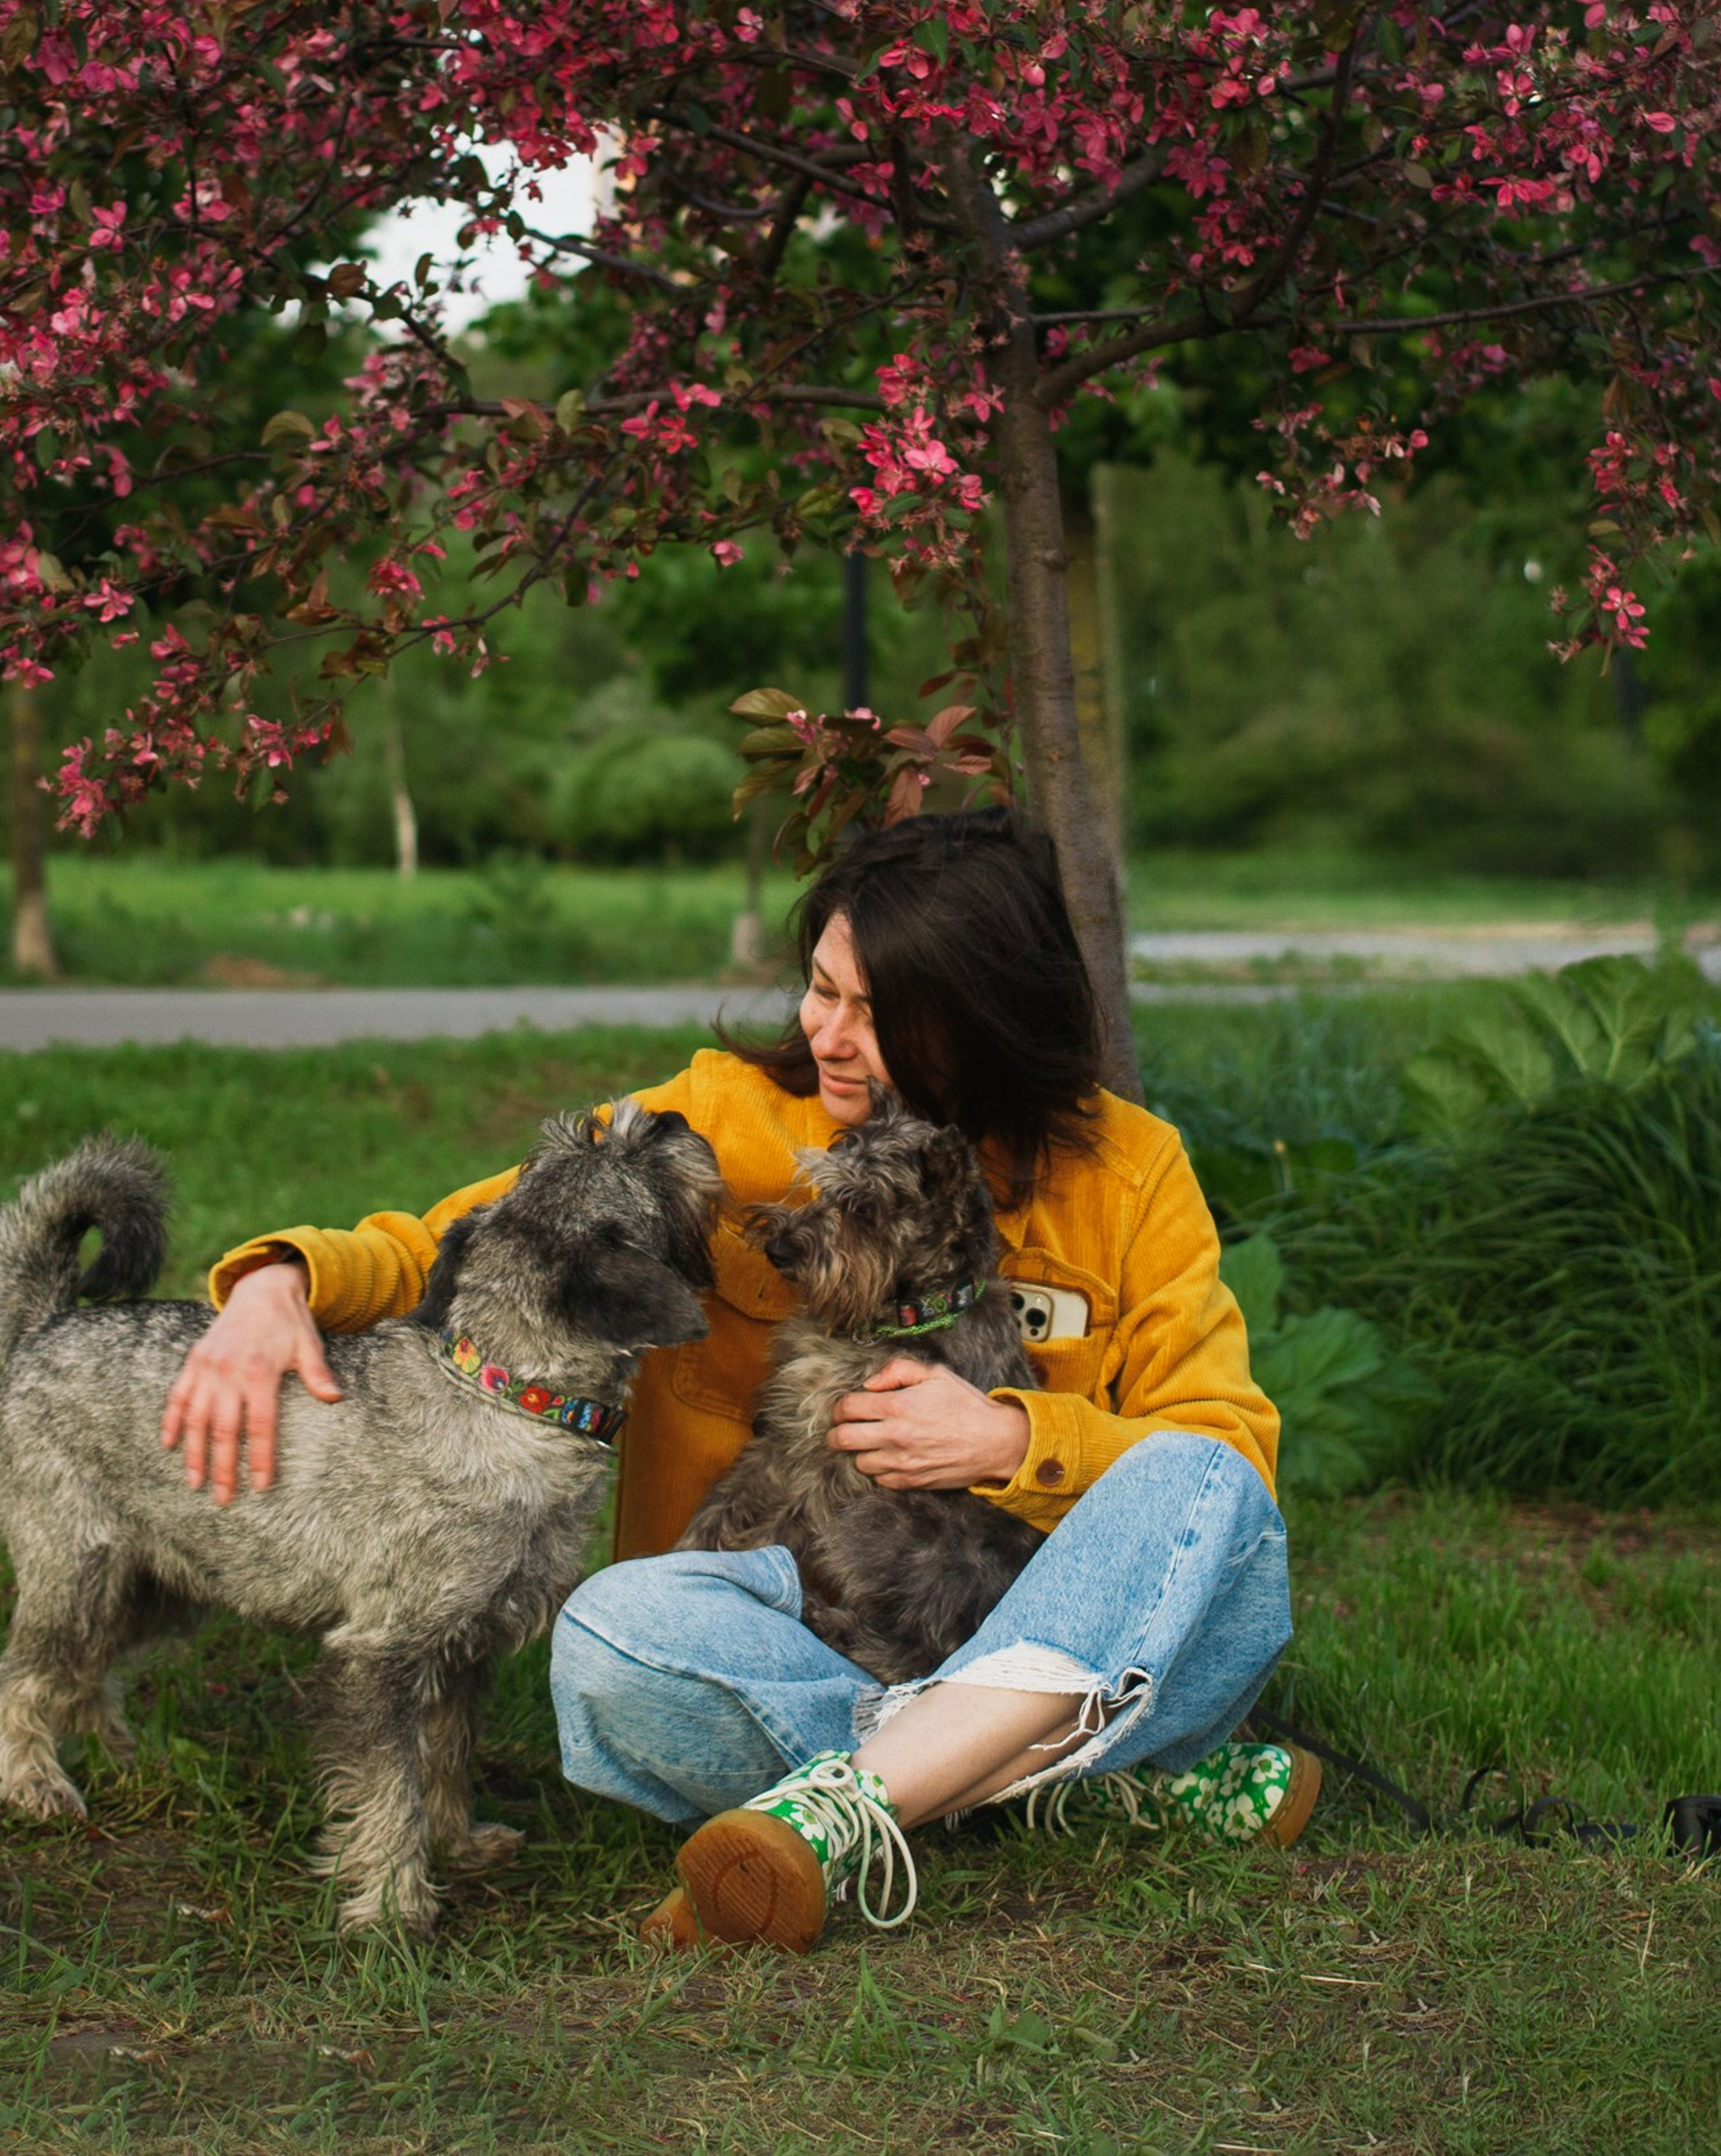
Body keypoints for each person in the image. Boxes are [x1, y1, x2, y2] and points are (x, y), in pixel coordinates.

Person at [163, 810, 1311, 1950]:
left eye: (879, 1014)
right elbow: (478, 1230)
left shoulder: (1129, 1172)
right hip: (814, 1629)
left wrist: (1017, 1442)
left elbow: (1227, 1463)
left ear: (985, 1020)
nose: (830, 1035)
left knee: (1202, 1482)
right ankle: (1058, 1777)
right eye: (822, 990)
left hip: (1055, 1614)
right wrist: (284, 1278)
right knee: (614, 1638)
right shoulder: (727, 1116)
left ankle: (849, 1806)